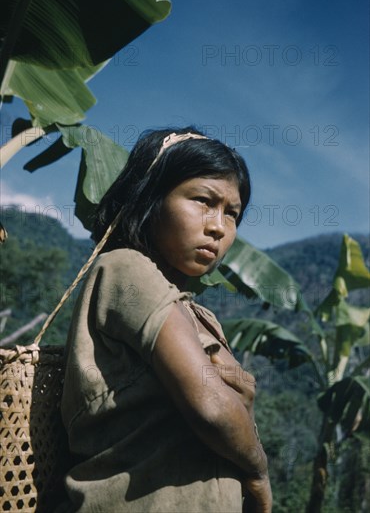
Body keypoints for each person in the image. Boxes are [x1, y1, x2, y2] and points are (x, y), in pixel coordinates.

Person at [58, 127, 272, 513]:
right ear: (151, 198)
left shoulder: (198, 313)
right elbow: (211, 405)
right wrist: (258, 471)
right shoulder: (126, 268)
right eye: (204, 201)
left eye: (232, 213)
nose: (218, 227)